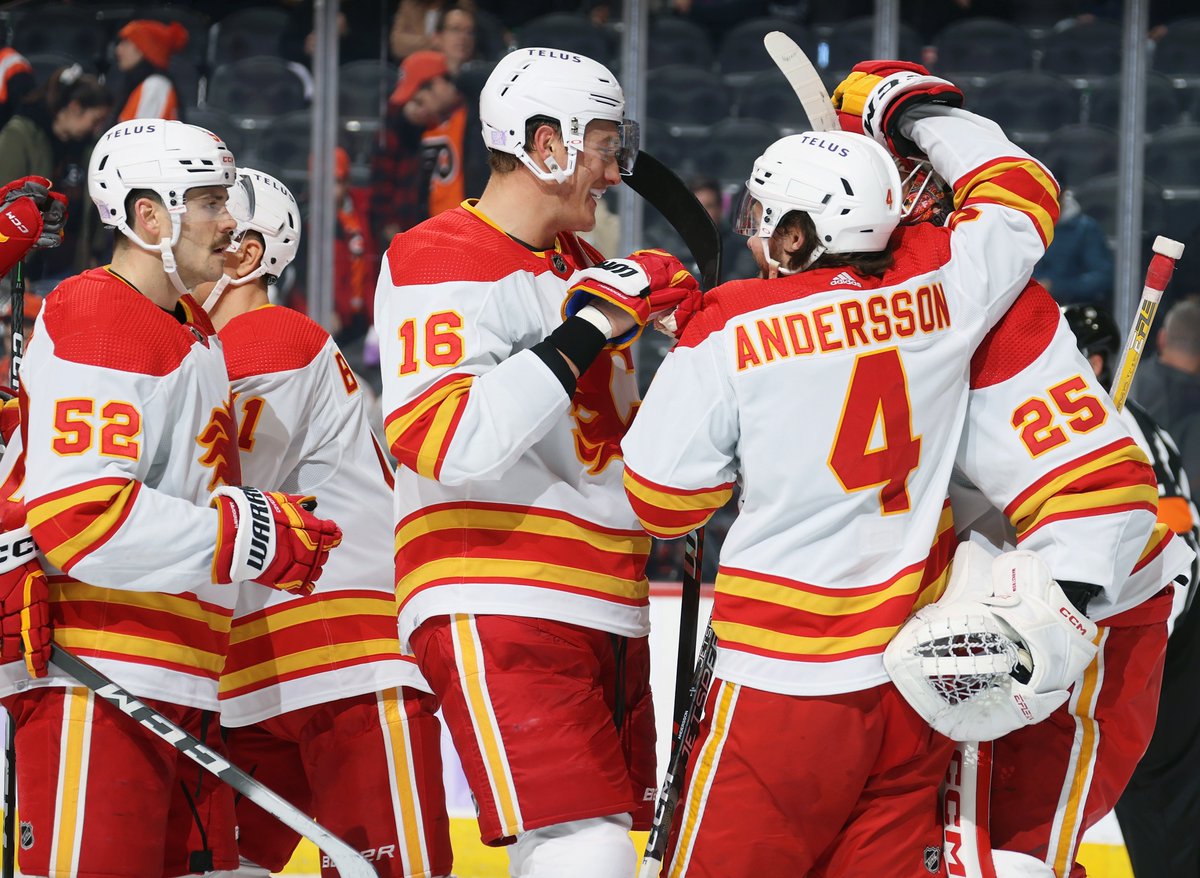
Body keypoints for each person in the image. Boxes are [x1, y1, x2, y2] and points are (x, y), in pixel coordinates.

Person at [617, 59, 1141, 876]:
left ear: (799, 233)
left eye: (764, 216)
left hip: (777, 683)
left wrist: (714, 403)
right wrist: (909, 108)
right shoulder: (945, 281)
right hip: (906, 685)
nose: (753, 231)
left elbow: (661, 500)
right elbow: (1022, 193)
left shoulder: (728, 323)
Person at [376, 47, 701, 876]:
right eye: (601, 140)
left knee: (587, 846)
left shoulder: (589, 272)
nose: (614, 166)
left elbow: (619, 458)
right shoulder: (439, 252)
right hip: (496, 586)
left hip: (606, 602)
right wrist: (591, 325)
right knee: (582, 847)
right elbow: (445, 440)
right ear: (546, 143)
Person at [0, 118, 342, 878]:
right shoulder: (99, 312)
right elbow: (81, 519)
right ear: (149, 216)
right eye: (211, 201)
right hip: (97, 676)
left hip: (180, 679)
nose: (230, 221)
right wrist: (252, 532)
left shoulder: (194, 330)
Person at [194, 167, 452, 878]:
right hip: (262, 664)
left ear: (245, 255)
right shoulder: (215, 351)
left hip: (343, 651)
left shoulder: (271, 333)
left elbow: (208, 478)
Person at [0, 65, 112, 288]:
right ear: (75, 107)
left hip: (69, 267)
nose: (97, 128)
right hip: (25, 267)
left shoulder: (88, 148)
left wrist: (94, 253)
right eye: (96, 119)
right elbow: (5, 204)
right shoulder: (20, 135)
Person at [371, 49, 486, 245]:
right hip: (432, 236)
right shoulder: (416, 127)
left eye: (418, 100)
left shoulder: (477, 115)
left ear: (439, 85)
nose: (416, 108)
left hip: (475, 231)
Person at [1031, 187, 1115, 307]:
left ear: (1063, 194)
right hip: (1033, 308)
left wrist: (1056, 286)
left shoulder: (1086, 229)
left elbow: (1103, 278)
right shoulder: (1029, 224)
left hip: (1072, 311)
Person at [113, 19, 191, 122]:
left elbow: (140, 136)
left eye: (126, 43)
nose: (118, 50)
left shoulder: (155, 86)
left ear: (144, 49)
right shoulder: (142, 84)